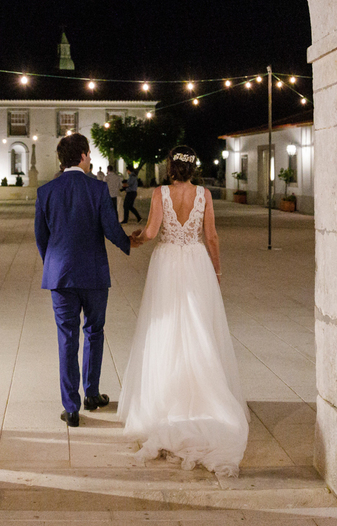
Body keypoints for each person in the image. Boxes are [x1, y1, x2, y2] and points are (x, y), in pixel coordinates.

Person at [120, 146, 247, 477]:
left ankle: (165, 398)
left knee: (164, 327)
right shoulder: (204, 194)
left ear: (170, 167)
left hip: (167, 263)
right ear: (193, 168)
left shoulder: (160, 193)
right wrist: (216, 272)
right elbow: (212, 237)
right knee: (197, 326)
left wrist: (134, 240)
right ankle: (203, 393)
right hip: (195, 262)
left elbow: (150, 233)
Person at [35, 134, 132, 427]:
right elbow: (111, 228)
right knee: (94, 331)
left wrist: (52, 264)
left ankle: (71, 407)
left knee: (67, 338)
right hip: (93, 274)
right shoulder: (98, 189)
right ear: (84, 156)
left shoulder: (46, 191)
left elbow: (42, 237)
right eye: (89, 155)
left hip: (60, 275)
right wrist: (129, 243)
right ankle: (91, 393)